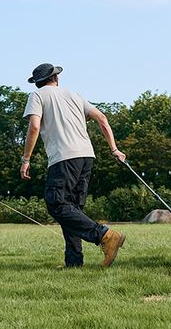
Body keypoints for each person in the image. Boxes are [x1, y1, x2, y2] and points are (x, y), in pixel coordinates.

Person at [20, 63, 126, 268]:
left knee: (56, 204)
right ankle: (74, 262)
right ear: (56, 78)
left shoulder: (38, 96)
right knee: (72, 209)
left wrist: (26, 159)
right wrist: (114, 149)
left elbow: (34, 126)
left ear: (38, 83)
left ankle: (105, 235)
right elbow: (102, 119)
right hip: (87, 156)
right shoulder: (75, 95)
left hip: (63, 158)